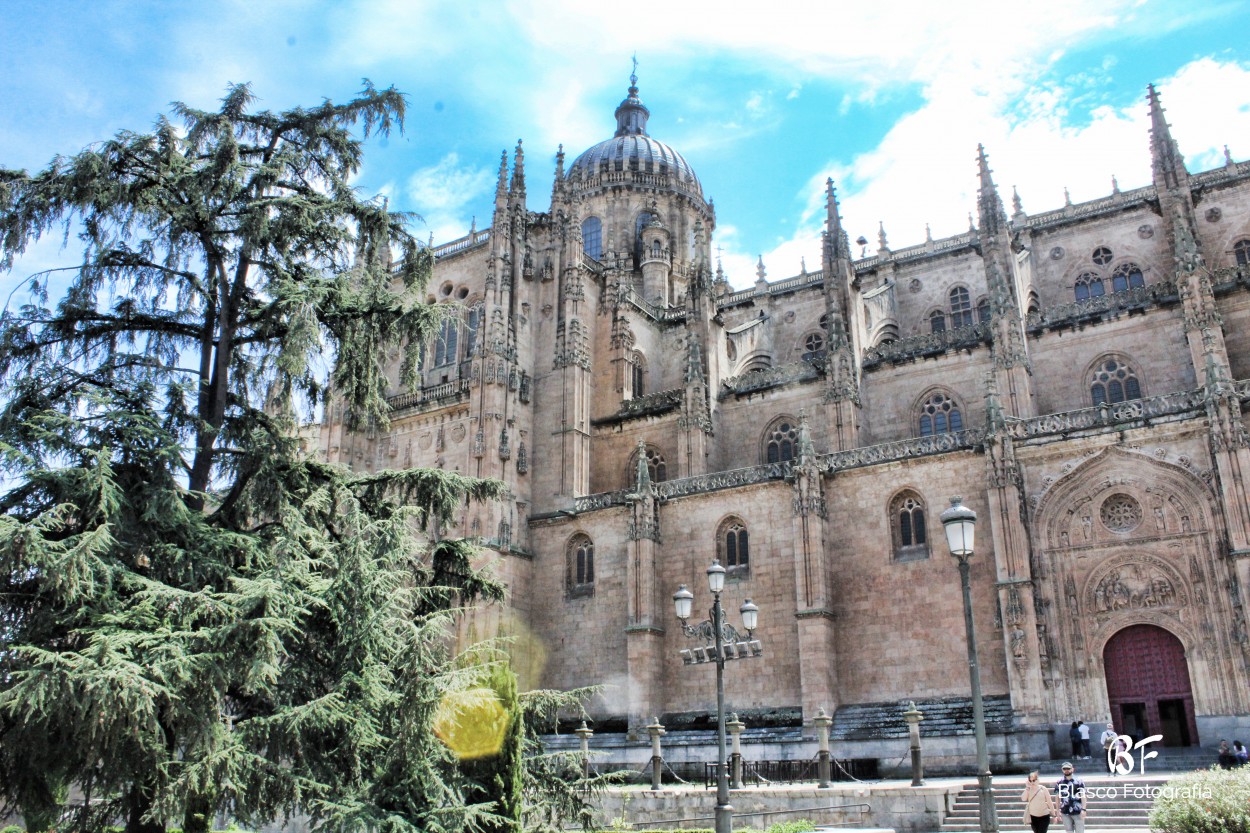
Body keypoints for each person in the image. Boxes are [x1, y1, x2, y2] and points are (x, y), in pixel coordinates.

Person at [1053, 761, 1088, 833]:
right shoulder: (1059, 782)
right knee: (1069, 831)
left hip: (1077, 810)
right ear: (1062, 770)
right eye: (1064, 769)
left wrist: (1084, 809)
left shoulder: (1079, 781)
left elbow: (1083, 796)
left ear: (1072, 769)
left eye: (1068, 769)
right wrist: (1057, 811)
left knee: (1080, 831)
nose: (1066, 770)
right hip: (1065, 810)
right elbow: (1057, 797)